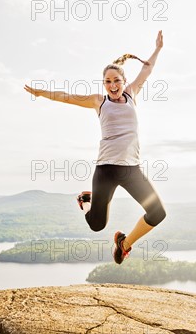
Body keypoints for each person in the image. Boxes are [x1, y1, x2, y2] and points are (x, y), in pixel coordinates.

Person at [24, 31, 167, 264]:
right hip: (106, 170)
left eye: (116, 80)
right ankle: (86, 200)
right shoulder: (98, 101)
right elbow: (67, 97)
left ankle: (124, 244)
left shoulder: (132, 94)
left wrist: (158, 48)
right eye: (108, 82)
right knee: (97, 225)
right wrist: (42, 93)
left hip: (132, 169)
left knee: (158, 213)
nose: (112, 85)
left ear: (124, 81)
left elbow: (147, 70)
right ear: (104, 84)